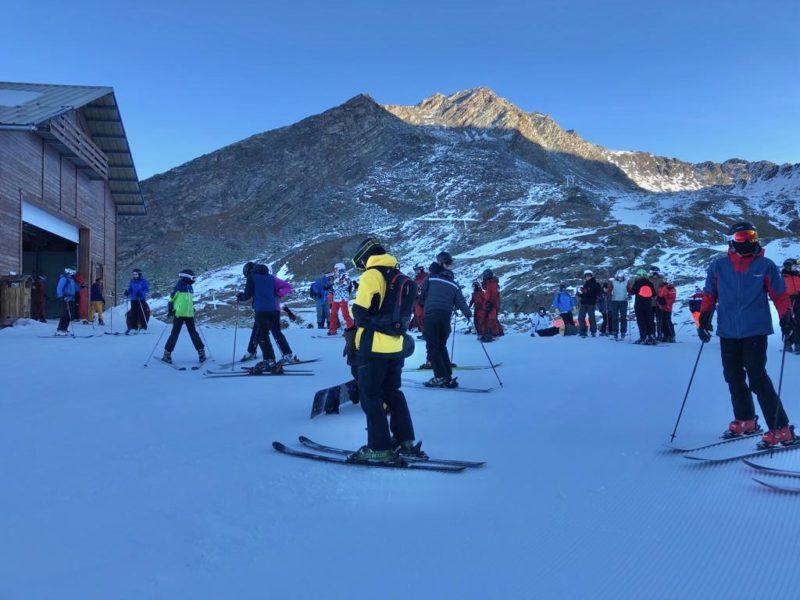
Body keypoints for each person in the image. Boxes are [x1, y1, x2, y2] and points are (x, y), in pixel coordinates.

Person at [697, 221, 796, 447]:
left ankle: (781, 428)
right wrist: (704, 318)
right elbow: (709, 295)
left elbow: (780, 296)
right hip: (728, 331)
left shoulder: (765, 265)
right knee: (732, 376)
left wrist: (786, 317)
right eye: (742, 237)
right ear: (731, 241)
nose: (748, 241)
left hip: (755, 330)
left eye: (751, 235)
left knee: (757, 377)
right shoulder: (718, 267)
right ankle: (746, 420)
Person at [348, 236, 422, 462]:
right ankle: (405, 441)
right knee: (393, 392)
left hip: (373, 346)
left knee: (371, 395)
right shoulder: (402, 277)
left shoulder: (372, 275)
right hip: (396, 346)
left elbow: (359, 313)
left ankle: (379, 448)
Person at [420, 253, 472, 387]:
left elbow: (421, 293)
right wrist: (467, 313)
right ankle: (447, 375)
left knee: (432, 346)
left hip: (431, 314)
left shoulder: (431, 278)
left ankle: (440, 377)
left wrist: (421, 303)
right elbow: (460, 301)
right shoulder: (454, 284)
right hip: (445, 316)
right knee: (441, 345)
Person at [237, 263, 298, 370]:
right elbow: (288, 286)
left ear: (248, 271)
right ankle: (287, 354)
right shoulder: (271, 278)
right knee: (274, 333)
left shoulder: (252, 277)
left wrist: (239, 296)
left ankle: (269, 360)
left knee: (262, 336)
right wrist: (277, 294)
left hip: (261, 310)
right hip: (274, 310)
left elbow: (247, 295)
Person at [161, 270, 206, 364]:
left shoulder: (190, 287)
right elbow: (171, 299)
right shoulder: (178, 287)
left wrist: (191, 308)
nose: (194, 279)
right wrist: (170, 310)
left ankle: (201, 352)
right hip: (179, 314)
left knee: (193, 333)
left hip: (189, 314)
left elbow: (188, 301)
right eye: (193, 277)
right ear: (187, 277)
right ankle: (167, 353)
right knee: (175, 334)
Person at [631, 268, 656, 344]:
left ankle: (643, 337)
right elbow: (654, 294)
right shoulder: (649, 283)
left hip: (639, 304)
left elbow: (632, 292)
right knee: (649, 320)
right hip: (648, 305)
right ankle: (651, 336)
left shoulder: (637, 283)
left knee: (641, 321)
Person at [328, 262, 354, 335]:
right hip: (336, 298)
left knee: (345, 314)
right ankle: (332, 330)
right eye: (335, 269)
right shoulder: (336, 276)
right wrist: (333, 285)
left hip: (343, 298)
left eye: (336, 269)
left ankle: (350, 329)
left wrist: (335, 284)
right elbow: (335, 287)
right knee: (333, 314)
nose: (335, 270)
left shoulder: (345, 275)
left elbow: (346, 283)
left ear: (340, 268)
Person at [781, 258, 800, 353]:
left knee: (798, 320)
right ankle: (788, 342)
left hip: (798, 299)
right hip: (787, 300)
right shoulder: (782, 276)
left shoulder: (798, 275)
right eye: (793, 266)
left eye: (796, 266)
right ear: (788, 267)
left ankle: (798, 343)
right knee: (787, 322)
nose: (795, 268)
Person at [576, 269, 601, 337]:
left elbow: (597, 293)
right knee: (581, 317)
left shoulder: (596, 284)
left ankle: (593, 332)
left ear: (591, 276)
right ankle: (583, 331)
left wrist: (586, 291)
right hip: (583, 303)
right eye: (586, 276)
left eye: (589, 275)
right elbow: (583, 294)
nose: (588, 277)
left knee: (591, 318)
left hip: (591, 303)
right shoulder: (585, 284)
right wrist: (579, 293)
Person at [124, 268, 150, 334]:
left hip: (141, 299)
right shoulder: (132, 281)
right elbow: (130, 289)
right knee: (133, 313)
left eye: (136, 274)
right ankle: (133, 327)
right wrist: (127, 292)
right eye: (133, 274)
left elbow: (146, 289)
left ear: (139, 274)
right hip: (133, 299)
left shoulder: (143, 281)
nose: (134, 275)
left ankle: (143, 327)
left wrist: (141, 292)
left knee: (142, 312)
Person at [55, 267, 80, 335]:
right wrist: (61, 296)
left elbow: (76, 288)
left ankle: (65, 329)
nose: (75, 273)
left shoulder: (71, 279)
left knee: (69, 315)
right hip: (65, 298)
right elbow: (59, 287)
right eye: (74, 272)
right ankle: (60, 329)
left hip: (71, 299)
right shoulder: (64, 278)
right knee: (65, 314)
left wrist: (81, 287)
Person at [481, 269, 503, 341]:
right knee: (490, 319)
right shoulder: (489, 283)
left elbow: (494, 294)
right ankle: (498, 332)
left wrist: (490, 303)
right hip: (489, 303)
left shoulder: (493, 283)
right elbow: (485, 288)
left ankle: (495, 334)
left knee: (492, 319)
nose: (483, 277)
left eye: (484, 276)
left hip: (492, 304)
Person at [609, 271, 629, 340]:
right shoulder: (613, 282)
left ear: (623, 277)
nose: (620, 278)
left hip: (623, 301)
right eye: (619, 277)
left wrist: (629, 294)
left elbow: (629, 290)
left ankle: (623, 331)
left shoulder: (626, 282)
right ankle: (615, 332)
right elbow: (609, 289)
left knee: (623, 317)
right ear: (617, 276)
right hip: (615, 301)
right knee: (615, 317)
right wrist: (607, 292)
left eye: (621, 277)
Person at [656, 276, 677, 342]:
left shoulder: (671, 288)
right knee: (662, 322)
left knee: (668, 321)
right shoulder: (662, 287)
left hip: (667, 307)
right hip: (661, 306)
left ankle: (671, 336)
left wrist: (665, 302)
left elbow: (672, 298)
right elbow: (659, 296)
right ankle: (665, 336)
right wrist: (658, 300)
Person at [408, 264, 427, 332]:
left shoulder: (426, 277)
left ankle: (423, 329)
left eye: (418, 269)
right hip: (417, 300)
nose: (416, 271)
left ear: (421, 269)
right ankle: (416, 327)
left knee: (420, 314)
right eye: (415, 270)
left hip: (424, 300)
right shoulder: (416, 279)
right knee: (417, 314)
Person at [649, 266, 665, 340]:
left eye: (656, 272)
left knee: (659, 319)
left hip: (659, 302)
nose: (655, 274)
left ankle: (660, 335)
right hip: (650, 302)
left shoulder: (661, 279)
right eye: (653, 272)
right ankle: (652, 334)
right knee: (651, 320)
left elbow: (665, 288)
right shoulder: (648, 279)